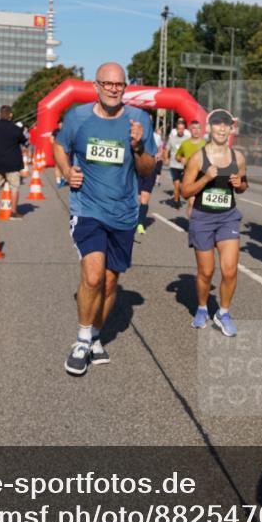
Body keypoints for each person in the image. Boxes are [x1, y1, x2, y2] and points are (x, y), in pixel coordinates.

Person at [52, 62, 156, 376]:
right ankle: (82, 340)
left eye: (119, 85)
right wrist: (67, 170)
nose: (113, 89)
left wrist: (138, 147)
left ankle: (96, 335)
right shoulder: (77, 117)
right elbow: (59, 145)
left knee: (110, 284)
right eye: (107, 83)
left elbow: (148, 169)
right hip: (87, 209)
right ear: (96, 86)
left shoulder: (139, 120)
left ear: (126, 88)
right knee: (94, 276)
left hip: (123, 212)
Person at [179, 109, 247, 335]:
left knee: (230, 271)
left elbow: (244, 186)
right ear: (210, 128)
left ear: (231, 129)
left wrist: (239, 184)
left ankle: (223, 312)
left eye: (225, 124)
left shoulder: (238, 157)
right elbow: (186, 191)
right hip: (203, 218)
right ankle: (201, 308)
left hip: (228, 216)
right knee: (206, 272)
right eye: (217, 124)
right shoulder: (198, 157)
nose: (221, 128)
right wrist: (206, 178)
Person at [0, 106, 26, 218]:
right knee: (14, 187)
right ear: (10, 115)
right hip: (12, 163)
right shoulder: (15, 129)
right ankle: (13, 212)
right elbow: (24, 141)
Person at [174, 120, 206, 215]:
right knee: (192, 202)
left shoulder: (206, 144)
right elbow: (177, 156)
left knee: (203, 204)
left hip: (203, 176)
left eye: (198, 128)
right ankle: (192, 226)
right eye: (194, 128)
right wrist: (181, 159)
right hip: (190, 176)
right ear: (190, 130)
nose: (196, 131)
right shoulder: (185, 144)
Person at [136, 129, 164, 235]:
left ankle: (141, 223)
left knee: (145, 197)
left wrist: (158, 155)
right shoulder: (136, 134)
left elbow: (161, 149)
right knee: (138, 197)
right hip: (138, 168)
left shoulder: (156, 137)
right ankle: (134, 218)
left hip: (150, 169)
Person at [165, 117, 191, 207]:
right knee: (176, 184)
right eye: (179, 129)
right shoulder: (172, 138)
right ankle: (176, 201)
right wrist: (166, 158)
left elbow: (191, 150)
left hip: (184, 166)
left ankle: (177, 196)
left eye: (182, 129)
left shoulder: (188, 139)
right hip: (174, 165)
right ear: (176, 129)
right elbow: (167, 149)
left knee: (181, 185)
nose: (180, 130)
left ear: (184, 129)